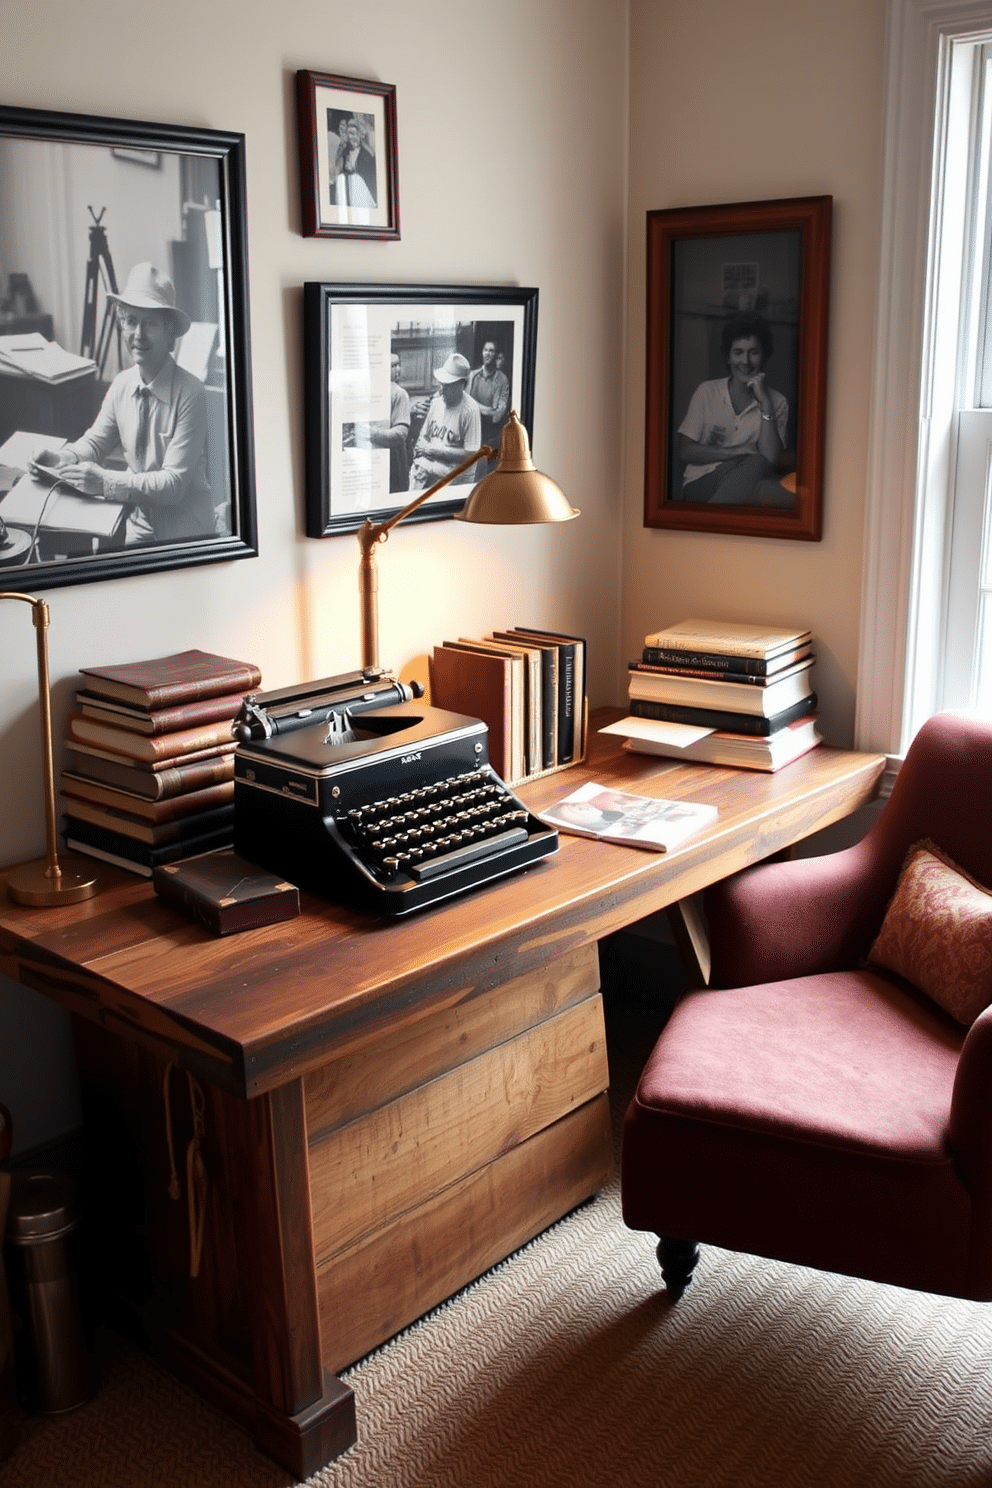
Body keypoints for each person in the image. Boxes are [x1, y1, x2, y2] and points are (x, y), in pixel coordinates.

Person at [32, 262, 213, 544]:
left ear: (169, 335)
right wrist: (59, 459)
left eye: (149, 323)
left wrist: (105, 482)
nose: (138, 334)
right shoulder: (122, 384)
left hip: (187, 532)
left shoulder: (192, 393)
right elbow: (95, 443)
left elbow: (173, 485)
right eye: (130, 321)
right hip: (140, 526)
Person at [676, 312, 791, 506]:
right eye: (738, 352)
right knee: (766, 485)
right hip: (700, 482)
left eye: (753, 352)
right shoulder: (707, 392)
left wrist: (766, 404)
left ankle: (710, 518)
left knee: (766, 485)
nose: (745, 362)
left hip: (745, 481)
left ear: (765, 356)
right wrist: (737, 451)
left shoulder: (777, 402)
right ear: (728, 357)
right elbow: (686, 451)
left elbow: (770, 458)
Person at [408, 352, 482, 491]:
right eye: (442, 384)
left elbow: (471, 455)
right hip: (429, 468)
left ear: (462, 385)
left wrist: (436, 452)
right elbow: (423, 437)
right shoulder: (437, 402)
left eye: (448, 384)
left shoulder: (470, 410)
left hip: (455, 476)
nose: (442, 390)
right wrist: (420, 455)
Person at [369, 353, 412, 492]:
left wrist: (369, 433)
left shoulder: (399, 393)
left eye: (399, 364)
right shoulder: (374, 390)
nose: (398, 369)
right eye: (393, 366)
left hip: (394, 462)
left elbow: (400, 435)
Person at [467, 341, 510, 455]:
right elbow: (465, 405)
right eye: (485, 350)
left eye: (491, 351)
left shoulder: (502, 380)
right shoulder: (472, 376)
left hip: (489, 437)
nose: (487, 353)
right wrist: (487, 410)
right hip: (470, 433)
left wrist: (474, 404)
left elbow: (497, 415)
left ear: (496, 355)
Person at [334, 116, 377, 208]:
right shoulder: (345, 151)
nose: (350, 137)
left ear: (359, 134)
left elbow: (369, 176)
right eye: (348, 134)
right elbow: (338, 169)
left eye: (353, 134)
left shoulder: (367, 154)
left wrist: (354, 170)